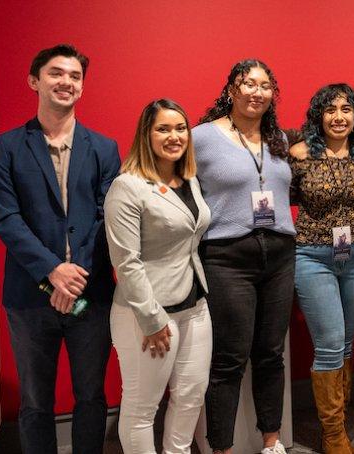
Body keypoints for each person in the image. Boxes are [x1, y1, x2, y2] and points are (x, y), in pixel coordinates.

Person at [0, 43, 119, 454]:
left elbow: (106, 217)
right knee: (36, 403)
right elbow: (7, 219)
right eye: (56, 74)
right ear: (34, 81)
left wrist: (74, 274)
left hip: (90, 294)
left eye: (75, 76)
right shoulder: (7, 148)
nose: (66, 82)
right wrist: (52, 271)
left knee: (92, 398)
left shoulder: (104, 148)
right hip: (29, 299)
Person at [194, 59, 294, 454]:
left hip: (281, 255)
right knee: (229, 359)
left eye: (265, 85)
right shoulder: (201, 137)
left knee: (271, 353)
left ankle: (272, 441)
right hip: (227, 257)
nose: (257, 91)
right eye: (247, 83)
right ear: (231, 89)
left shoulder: (279, 140)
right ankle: (222, 448)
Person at [105, 99, 211, 453]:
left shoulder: (189, 179)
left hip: (195, 306)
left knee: (191, 398)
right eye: (163, 129)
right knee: (141, 409)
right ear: (146, 135)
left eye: (180, 128)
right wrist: (151, 319)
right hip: (149, 314)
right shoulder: (128, 186)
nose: (174, 136)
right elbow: (126, 262)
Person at [289, 83, 354, 453]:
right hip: (313, 258)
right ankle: (333, 436)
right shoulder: (299, 154)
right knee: (328, 346)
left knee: (344, 344)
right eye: (330, 110)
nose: (338, 117)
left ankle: (339, 423)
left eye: (346, 109)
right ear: (318, 116)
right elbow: (285, 198)